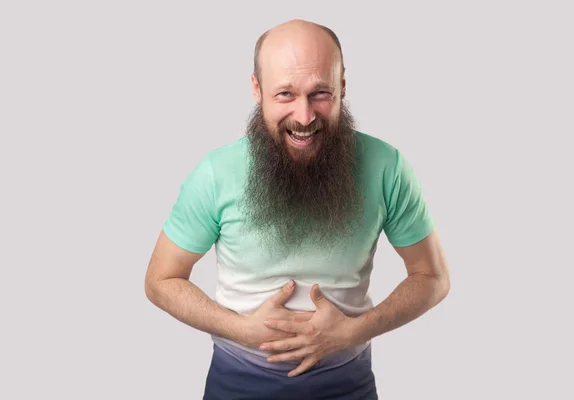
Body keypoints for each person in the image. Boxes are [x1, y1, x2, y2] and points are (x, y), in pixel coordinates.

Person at [145, 18, 450, 400]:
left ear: (342, 86)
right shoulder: (214, 173)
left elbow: (432, 277)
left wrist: (354, 331)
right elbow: (161, 280)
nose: (305, 117)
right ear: (257, 89)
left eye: (320, 92)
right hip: (235, 387)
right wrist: (242, 330)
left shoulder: (387, 166)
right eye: (285, 94)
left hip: (349, 388)